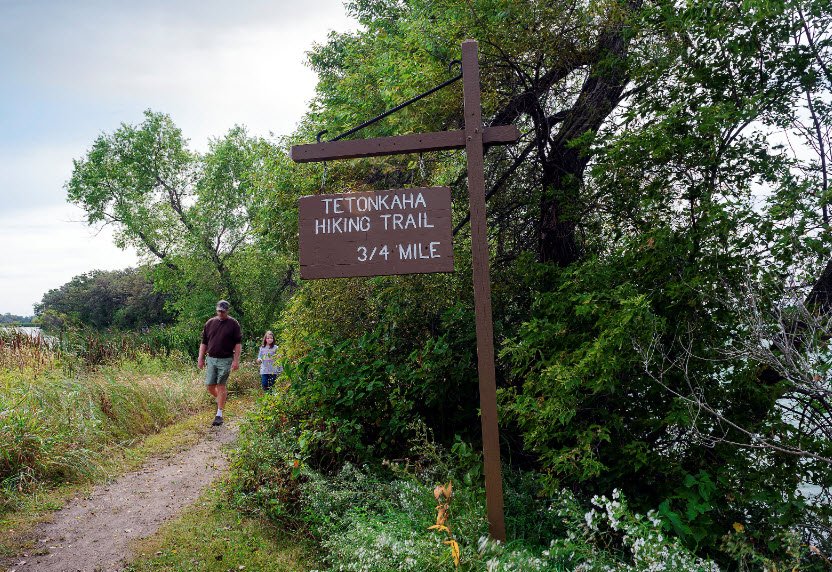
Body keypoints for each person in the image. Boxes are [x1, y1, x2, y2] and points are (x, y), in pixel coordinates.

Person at [197, 300, 242, 426]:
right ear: (216, 310)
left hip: (226, 359)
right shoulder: (210, 323)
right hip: (211, 358)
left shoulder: (233, 324)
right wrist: (200, 358)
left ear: (227, 310)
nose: (220, 313)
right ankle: (221, 400)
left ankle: (219, 414)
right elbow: (204, 342)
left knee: (221, 385)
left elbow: (238, 344)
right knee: (210, 386)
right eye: (219, 311)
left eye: (223, 311)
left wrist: (236, 360)